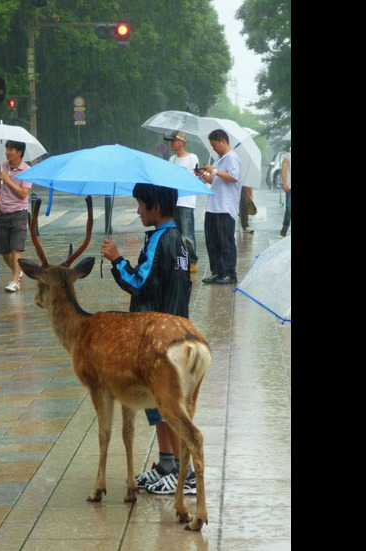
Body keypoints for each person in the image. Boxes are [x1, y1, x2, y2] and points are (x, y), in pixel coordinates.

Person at [100, 182, 196, 496]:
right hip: (174, 327)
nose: (139, 211)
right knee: (158, 404)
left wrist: (116, 260)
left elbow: (140, 283)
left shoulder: (159, 239)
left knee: (167, 406)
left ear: (155, 208)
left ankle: (185, 471)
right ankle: (167, 464)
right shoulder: (178, 238)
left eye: (141, 205)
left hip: (159, 335)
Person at [196, 129, 243, 284]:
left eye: (215, 145)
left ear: (223, 141)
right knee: (212, 241)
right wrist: (203, 175)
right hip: (213, 206)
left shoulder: (232, 158)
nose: (214, 148)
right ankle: (216, 271)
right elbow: (215, 181)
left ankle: (230, 273)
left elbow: (233, 177)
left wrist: (214, 170)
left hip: (225, 207)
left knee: (225, 242)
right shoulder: (219, 158)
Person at [0, 140, 32, 292]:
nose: (8, 152)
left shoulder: (27, 171)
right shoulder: (1, 167)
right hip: (2, 212)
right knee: (4, 251)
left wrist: (8, 180)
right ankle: (19, 270)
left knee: (16, 249)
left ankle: (15, 281)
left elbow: (23, 194)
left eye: (11, 149)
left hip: (18, 213)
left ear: (19, 152)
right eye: (7, 149)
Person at [165, 131, 200, 273]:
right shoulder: (172, 159)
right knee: (175, 234)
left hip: (186, 202)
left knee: (187, 234)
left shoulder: (192, 158)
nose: (171, 143)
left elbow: (194, 178)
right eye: (170, 141)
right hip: (174, 201)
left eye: (174, 140)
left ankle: (192, 259)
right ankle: (179, 260)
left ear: (182, 142)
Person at [280, 148, 291, 237]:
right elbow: (283, 171)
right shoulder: (287, 157)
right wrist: (285, 183)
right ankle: (285, 226)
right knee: (289, 208)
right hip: (290, 187)